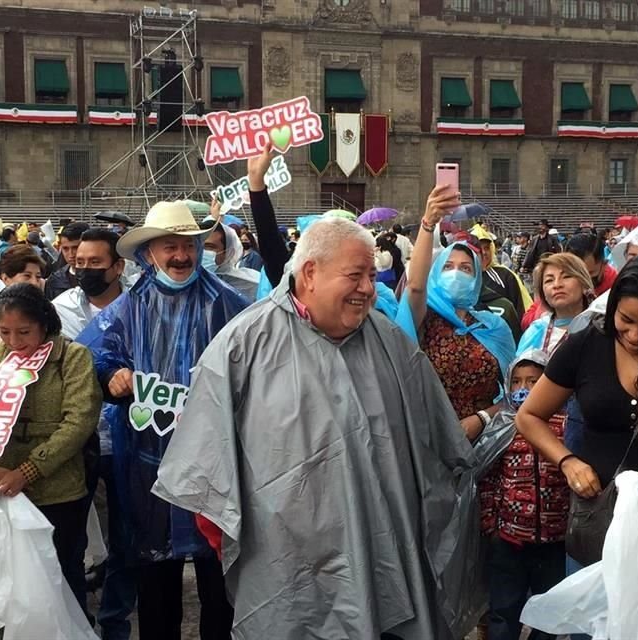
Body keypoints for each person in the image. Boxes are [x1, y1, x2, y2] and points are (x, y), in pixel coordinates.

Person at [152, 217, 485, 639]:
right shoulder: (241, 346)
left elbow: (440, 446)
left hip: (387, 547)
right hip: (291, 566)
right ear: (310, 272)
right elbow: (205, 479)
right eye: (355, 275)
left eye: (370, 274)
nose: (368, 287)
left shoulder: (391, 341)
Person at [78, 201, 248, 640]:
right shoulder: (127, 307)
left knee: (218, 576)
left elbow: (254, 365)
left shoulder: (227, 304)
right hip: (147, 460)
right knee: (155, 577)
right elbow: (89, 355)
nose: (181, 256)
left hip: (215, 460)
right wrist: (109, 373)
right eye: (169, 246)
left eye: (188, 245)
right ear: (148, 253)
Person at [516, 253, 638, 590]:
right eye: (626, 319)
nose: (634, 335)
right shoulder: (589, 343)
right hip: (597, 518)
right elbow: (529, 416)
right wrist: (568, 462)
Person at [0, 284, 102, 612]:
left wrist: (29, 470)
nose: (15, 342)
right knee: (6, 579)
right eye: (4, 332)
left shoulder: (72, 358)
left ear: (44, 325)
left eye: (24, 332)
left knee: (60, 571)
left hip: (57, 492)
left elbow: (79, 421)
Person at [53, 228, 137, 640]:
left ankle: (114, 621)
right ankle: (76, 622)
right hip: (76, 439)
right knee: (69, 540)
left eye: (95, 264)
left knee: (126, 538)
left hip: (128, 438)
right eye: (78, 264)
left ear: (118, 266)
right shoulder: (58, 310)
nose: (84, 271)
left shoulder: (141, 305)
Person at [397, 185, 516, 442]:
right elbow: (416, 286)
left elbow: (517, 393)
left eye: (465, 269)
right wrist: (428, 223)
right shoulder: (425, 318)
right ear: (436, 274)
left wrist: (482, 419)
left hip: (485, 440)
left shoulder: (494, 327)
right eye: (448, 267)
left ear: (476, 279)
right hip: (428, 441)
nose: (456, 273)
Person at [479, 350, 570, 640]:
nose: (523, 389)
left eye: (533, 381)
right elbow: (488, 480)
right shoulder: (504, 427)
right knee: (504, 611)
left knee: (549, 613)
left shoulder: (565, 427)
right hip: (509, 541)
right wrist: (492, 525)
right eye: (516, 381)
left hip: (555, 542)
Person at [517, 253, 595, 355]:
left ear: (584, 285)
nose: (557, 285)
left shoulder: (601, 326)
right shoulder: (536, 331)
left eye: (566, 277)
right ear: (543, 293)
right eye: (549, 280)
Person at [201, 221, 260, 301]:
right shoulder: (184, 285)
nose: (200, 253)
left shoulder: (251, 285)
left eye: (209, 247)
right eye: (196, 246)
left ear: (228, 253)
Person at [45, 222, 89, 299]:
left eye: (75, 248)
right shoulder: (55, 280)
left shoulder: (102, 276)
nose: (71, 254)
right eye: (65, 249)